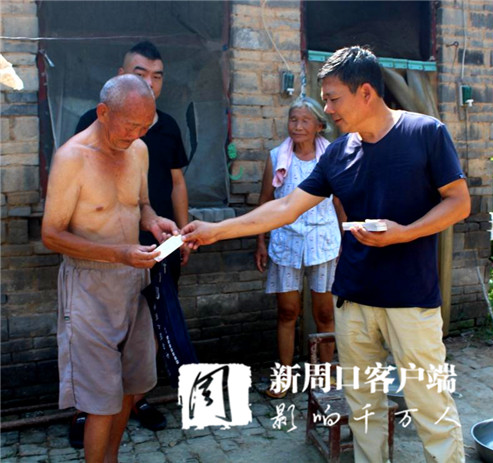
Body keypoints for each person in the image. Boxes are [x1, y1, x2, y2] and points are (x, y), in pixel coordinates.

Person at [181, 46, 470, 463]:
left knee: (429, 404)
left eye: (334, 99)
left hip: (410, 298)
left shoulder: (425, 133)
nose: (328, 110)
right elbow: (285, 207)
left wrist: (404, 234)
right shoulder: (338, 152)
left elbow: (458, 202)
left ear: (366, 92)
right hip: (352, 297)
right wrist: (216, 231)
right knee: (363, 406)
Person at [42, 74, 178, 463]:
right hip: (89, 286)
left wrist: (154, 222)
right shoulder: (72, 158)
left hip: (134, 281)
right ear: (103, 112)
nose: (137, 134)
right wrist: (118, 254)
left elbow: (141, 204)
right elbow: (51, 235)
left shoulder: (139, 149)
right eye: (130, 125)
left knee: (131, 387)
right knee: (100, 400)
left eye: (145, 126)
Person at [74, 40, 190, 434]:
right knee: (100, 331)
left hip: (158, 240)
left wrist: (183, 231)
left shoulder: (167, 127)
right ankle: (88, 410)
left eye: (157, 76)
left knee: (151, 323)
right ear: (120, 75)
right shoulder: (94, 123)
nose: (150, 83)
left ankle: (136, 399)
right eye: (140, 74)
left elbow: (177, 183)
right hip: (107, 248)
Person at [254, 97, 341, 398]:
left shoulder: (332, 156)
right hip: (286, 241)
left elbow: (341, 202)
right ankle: (284, 376)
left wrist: (347, 241)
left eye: (305, 121)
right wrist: (260, 240)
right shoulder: (277, 157)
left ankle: (324, 375)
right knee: (287, 311)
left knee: (325, 312)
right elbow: (265, 202)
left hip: (324, 240)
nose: (298, 126)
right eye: (293, 120)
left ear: (319, 126)